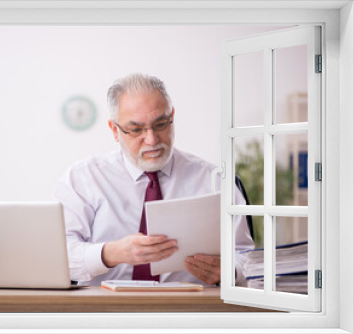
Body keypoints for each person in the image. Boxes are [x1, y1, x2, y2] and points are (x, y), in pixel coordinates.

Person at [54, 73, 254, 286]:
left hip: (190, 311)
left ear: (172, 117)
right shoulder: (83, 178)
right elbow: (58, 254)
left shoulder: (215, 181)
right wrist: (110, 253)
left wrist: (230, 272)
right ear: (114, 130)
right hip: (104, 311)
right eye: (136, 129)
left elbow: (246, 256)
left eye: (160, 125)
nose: (151, 139)